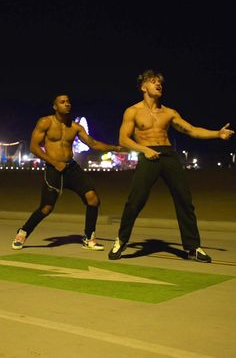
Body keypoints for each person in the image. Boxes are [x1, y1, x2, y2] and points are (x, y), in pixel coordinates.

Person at [108, 69, 234, 262]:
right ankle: (121, 240)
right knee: (136, 200)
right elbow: (123, 139)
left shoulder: (169, 112)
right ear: (143, 87)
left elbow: (191, 130)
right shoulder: (132, 111)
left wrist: (217, 134)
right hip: (147, 154)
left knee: (184, 200)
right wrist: (145, 150)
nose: (158, 84)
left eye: (160, 82)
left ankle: (193, 247)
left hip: (168, 155)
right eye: (153, 81)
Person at [12, 94, 121, 251]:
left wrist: (115, 148)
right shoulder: (45, 122)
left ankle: (88, 237)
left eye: (68, 101)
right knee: (47, 207)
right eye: (62, 102)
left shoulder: (75, 127)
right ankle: (23, 232)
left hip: (71, 168)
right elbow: (34, 147)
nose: (67, 104)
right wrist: (54, 163)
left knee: (93, 199)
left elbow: (93, 143)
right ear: (55, 106)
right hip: (53, 168)